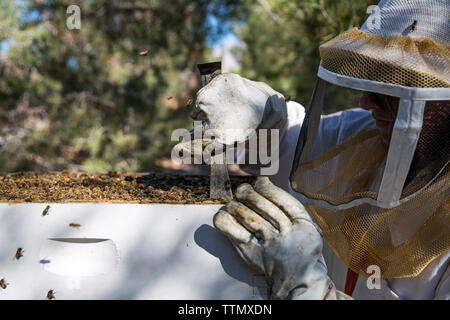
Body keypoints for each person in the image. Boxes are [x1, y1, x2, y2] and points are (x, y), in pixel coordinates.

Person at [180, 0, 450, 299]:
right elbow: (287, 147)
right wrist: (259, 117)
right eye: (375, 77)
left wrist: (310, 291)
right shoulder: (366, 136)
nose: (367, 101)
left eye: (398, 84)